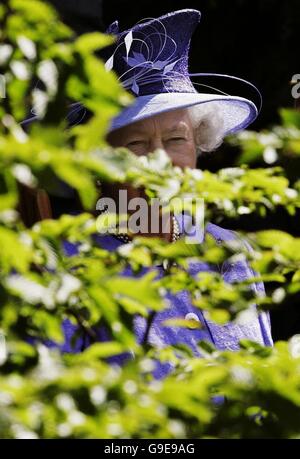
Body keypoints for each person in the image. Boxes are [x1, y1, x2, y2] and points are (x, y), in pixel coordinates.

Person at [21, 9, 272, 378]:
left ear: (198, 145)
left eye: (175, 139)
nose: (160, 162)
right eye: (137, 144)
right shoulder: (67, 271)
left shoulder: (234, 254)